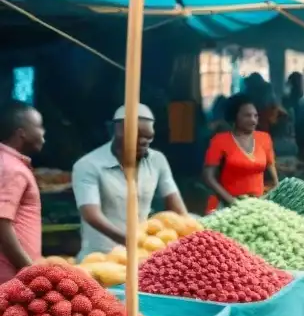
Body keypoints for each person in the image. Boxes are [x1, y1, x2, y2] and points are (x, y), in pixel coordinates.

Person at [72, 105, 189, 259]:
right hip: (101, 257)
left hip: (141, 257)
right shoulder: (88, 165)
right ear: (119, 132)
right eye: (138, 136)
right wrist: (129, 241)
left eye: (149, 137)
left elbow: (176, 205)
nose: (144, 142)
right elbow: (91, 214)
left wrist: (190, 237)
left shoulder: (157, 160)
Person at [202, 94, 278, 212]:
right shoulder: (220, 141)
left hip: (257, 205)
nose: (253, 120)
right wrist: (232, 202)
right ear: (235, 116)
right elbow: (208, 176)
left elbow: (271, 170)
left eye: (255, 116)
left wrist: (275, 195)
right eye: (247, 116)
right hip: (226, 206)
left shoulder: (264, 138)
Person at [0, 102, 44, 283]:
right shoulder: (10, 168)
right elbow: (2, 223)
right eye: (40, 126)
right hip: (10, 279)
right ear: (22, 133)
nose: (43, 133)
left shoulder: (10, 163)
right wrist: (30, 271)